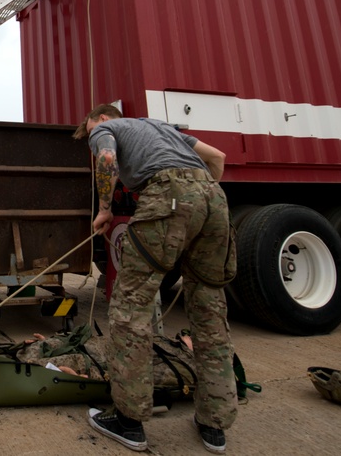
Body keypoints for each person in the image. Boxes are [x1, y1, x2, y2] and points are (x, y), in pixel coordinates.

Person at [74, 104, 237, 454]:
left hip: (167, 197)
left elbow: (106, 160)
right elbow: (218, 157)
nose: (90, 136)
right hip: (214, 200)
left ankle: (129, 422)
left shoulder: (108, 130)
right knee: (210, 313)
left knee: (130, 308)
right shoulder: (160, 127)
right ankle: (214, 424)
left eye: (88, 130)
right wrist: (201, 198)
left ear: (102, 118)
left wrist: (105, 209)